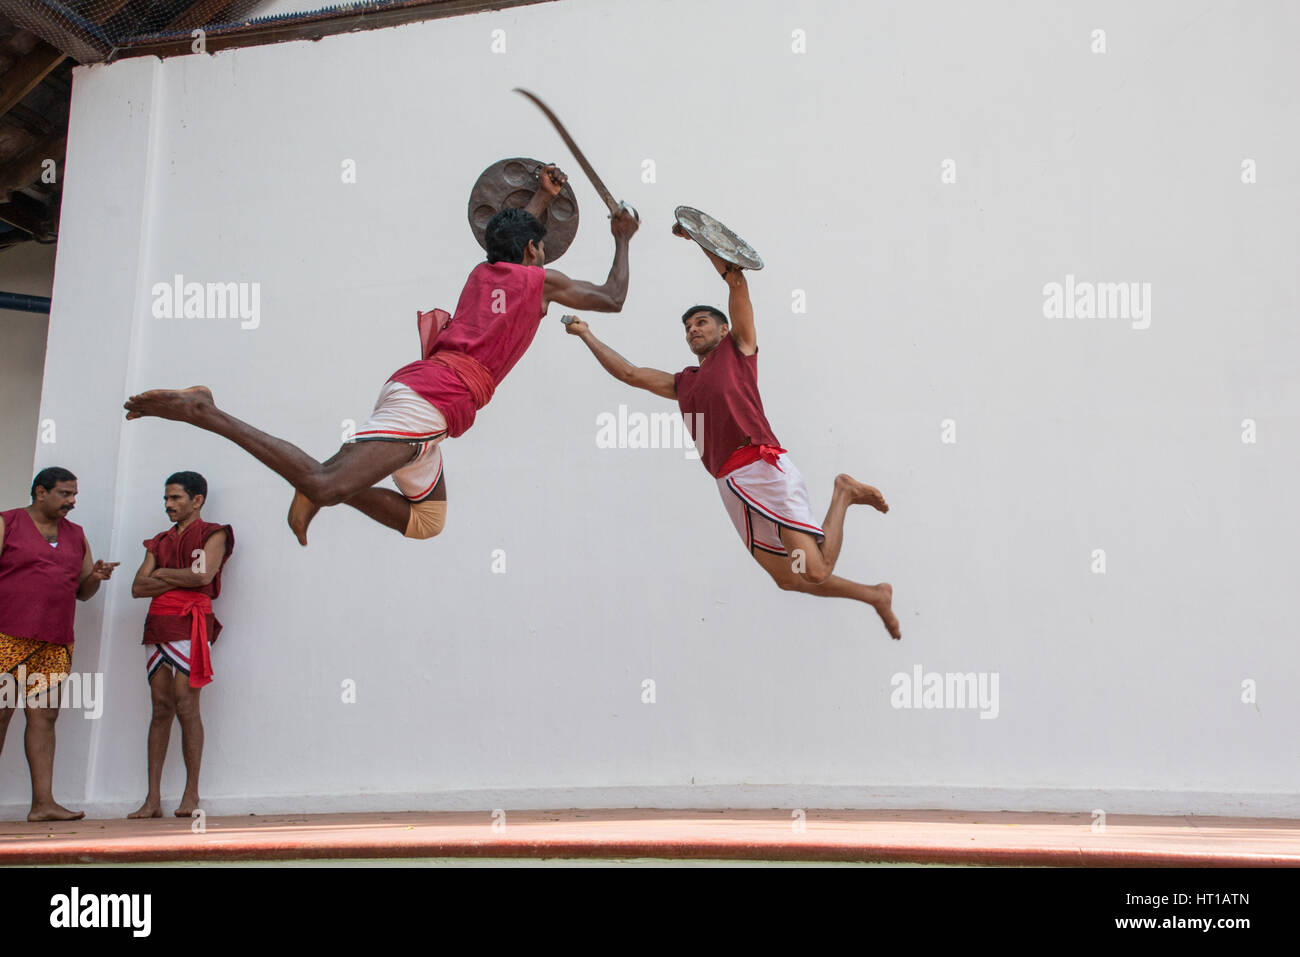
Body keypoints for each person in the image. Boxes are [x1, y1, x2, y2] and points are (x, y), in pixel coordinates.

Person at [124, 165, 639, 545]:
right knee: (325, 485)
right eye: (540, 248)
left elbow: (514, 234)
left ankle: (332, 485)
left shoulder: (485, 273)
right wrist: (623, 239)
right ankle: (205, 412)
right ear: (533, 253)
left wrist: (542, 199)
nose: (541, 255)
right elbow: (613, 297)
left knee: (425, 523)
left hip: (428, 397)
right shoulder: (539, 282)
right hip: (430, 400)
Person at [565, 223, 900, 639]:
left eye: (702, 322)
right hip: (728, 482)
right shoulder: (684, 382)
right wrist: (586, 334)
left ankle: (844, 491)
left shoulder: (738, 349)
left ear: (722, 329)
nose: (693, 329)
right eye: (688, 327)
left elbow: (737, 280)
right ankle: (873, 595)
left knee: (814, 569)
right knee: (789, 577)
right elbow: (630, 373)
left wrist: (698, 237)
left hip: (760, 465)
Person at [0, 467, 118, 821]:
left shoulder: (76, 535)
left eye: (73, 494)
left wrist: (95, 577)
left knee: (45, 717)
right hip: (7, 637)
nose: (72, 501)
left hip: (56, 642)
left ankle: (43, 804)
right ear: (40, 492)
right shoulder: (8, 523)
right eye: (65, 494)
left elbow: (82, 592)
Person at [128, 471, 233, 819]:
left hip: (191, 624)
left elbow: (202, 575)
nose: (169, 505)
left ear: (197, 500)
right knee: (160, 707)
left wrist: (158, 574)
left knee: (187, 706)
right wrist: (177, 577)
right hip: (157, 624)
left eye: (176, 498)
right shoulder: (158, 540)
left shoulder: (212, 533)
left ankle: (191, 794)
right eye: (166, 498)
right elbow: (136, 588)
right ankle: (152, 799)